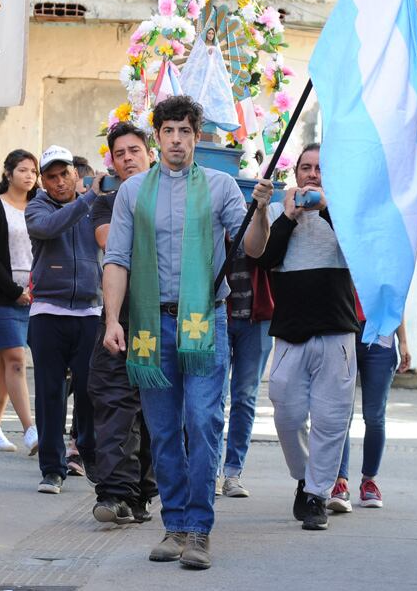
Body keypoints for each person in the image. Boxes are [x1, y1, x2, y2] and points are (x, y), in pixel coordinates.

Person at [103, 96, 273, 570]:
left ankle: (199, 529)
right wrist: (112, 319)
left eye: (185, 131)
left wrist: (259, 210)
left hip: (205, 319)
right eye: (168, 131)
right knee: (161, 429)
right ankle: (174, 523)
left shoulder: (221, 187)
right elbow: (117, 258)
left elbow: (253, 249)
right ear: (157, 138)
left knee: (202, 421)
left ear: (198, 137)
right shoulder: (133, 192)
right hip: (149, 324)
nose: (176, 140)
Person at [255, 143, 360, 532]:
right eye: (306, 168)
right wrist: (288, 216)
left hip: (336, 331)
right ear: (296, 172)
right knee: (287, 414)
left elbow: (358, 253)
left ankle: (317, 495)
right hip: (291, 334)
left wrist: (328, 208)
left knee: (332, 420)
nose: (313, 174)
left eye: (320, 168)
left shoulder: (343, 213)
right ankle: (304, 476)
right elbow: (265, 260)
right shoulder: (283, 211)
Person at [88, 122, 158, 525]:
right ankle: (115, 493)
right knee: (114, 401)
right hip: (119, 317)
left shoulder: (174, 196)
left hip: (159, 317)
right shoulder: (107, 201)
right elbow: (109, 240)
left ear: (150, 154)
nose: (128, 157)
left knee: (150, 407)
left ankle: (141, 493)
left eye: (135, 150)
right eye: (120, 153)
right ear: (112, 163)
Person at [26, 145, 103, 495]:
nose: (59, 182)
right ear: (43, 181)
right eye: (51, 176)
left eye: (64, 174)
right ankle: (52, 468)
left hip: (90, 311)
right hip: (47, 312)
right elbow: (48, 227)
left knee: (90, 388)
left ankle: (84, 450)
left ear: (76, 173)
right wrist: (86, 201)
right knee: (50, 392)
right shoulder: (37, 206)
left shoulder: (95, 204)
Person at [0, 150, 40, 453]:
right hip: (1, 295)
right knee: (15, 358)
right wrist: (15, 291)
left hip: (35, 293)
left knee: (5, 364)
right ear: (8, 172)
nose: (29, 176)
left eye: (33, 171)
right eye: (23, 170)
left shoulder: (39, 206)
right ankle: (30, 430)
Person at [331, 323, 411, 511]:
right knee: (342, 415)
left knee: (375, 417)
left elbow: (395, 298)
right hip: (344, 333)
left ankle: (369, 481)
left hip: (381, 338)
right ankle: (339, 481)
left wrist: (404, 342)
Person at [213, 248, 274, 498]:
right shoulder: (214, 211)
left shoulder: (266, 213)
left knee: (245, 397)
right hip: (217, 314)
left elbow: (271, 255)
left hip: (256, 319)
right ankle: (213, 471)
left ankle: (233, 473)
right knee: (214, 396)